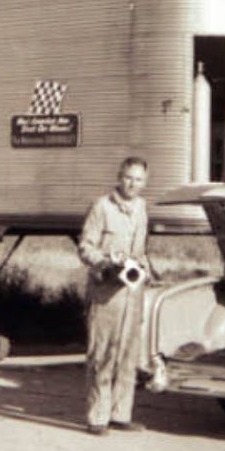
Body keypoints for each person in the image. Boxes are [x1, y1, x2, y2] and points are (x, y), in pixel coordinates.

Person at [78, 156, 154, 436]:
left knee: (127, 355)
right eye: (128, 177)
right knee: (102, 354)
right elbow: (86, 247)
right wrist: (106, 261)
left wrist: (144, 267)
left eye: (138, 179)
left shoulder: (142, 208)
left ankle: (121, 414)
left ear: (145, 182)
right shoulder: (102, 207)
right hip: (106, 292)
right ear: (119, 176)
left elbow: (141, 248)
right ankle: (97, 417)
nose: (132, 184)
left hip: (132, 292)